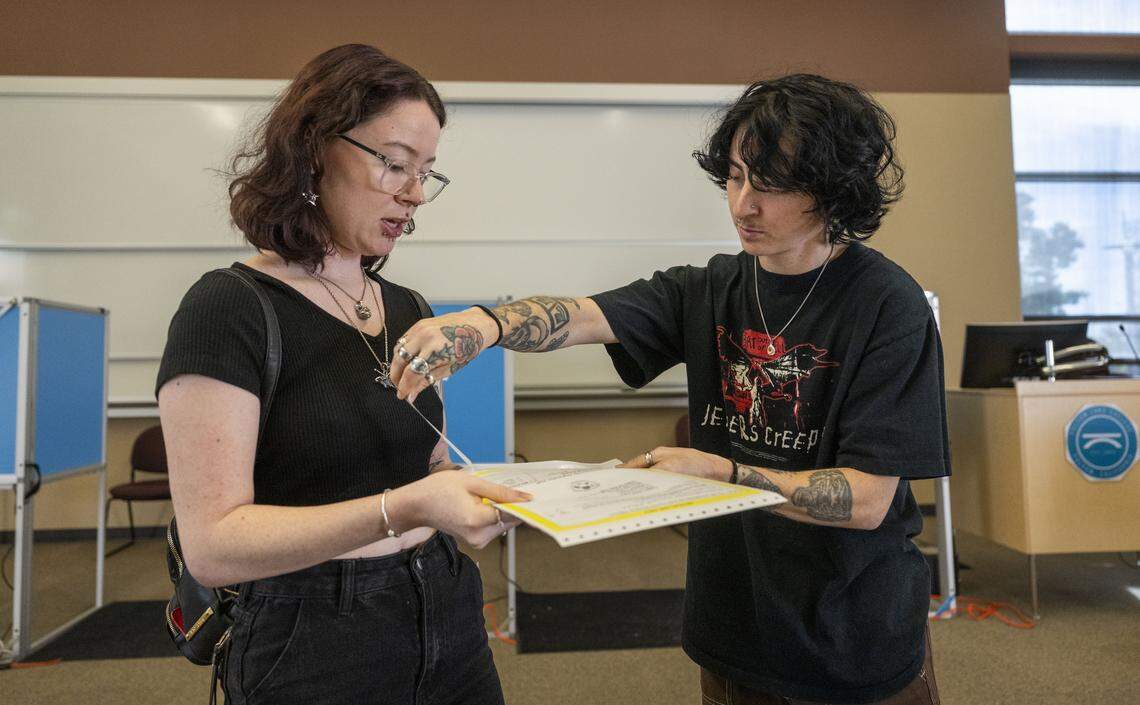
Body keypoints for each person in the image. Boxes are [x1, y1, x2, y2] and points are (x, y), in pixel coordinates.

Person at [391, 74, 949, 705]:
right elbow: (579, 315)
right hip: (733, 631)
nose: (743, 205)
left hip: (850, 637)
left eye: (771, 185)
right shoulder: (709, 287)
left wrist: (722, 473)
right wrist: (483, 323)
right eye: (736, 177)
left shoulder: (888, 305)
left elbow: (867, 500)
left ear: (832, 189)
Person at [157, 44, 529, 705]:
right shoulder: (227, 309)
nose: (414, 193)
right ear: (314, 150)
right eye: (394, 164)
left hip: (444, 607)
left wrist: (473, 494)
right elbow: (213, 544)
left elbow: (429, 462)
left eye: (427, 172)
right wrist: (406, 508)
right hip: (311, 637)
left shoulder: (408, 307)